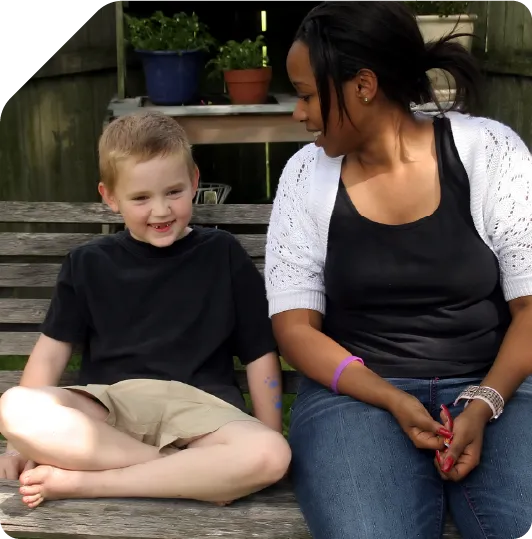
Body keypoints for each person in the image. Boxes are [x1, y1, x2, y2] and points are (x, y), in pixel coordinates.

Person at [265, 0, 532, 538]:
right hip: (356, 399)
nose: (299, 113)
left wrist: (484, 402)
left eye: (309, 95)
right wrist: (389, 396)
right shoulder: (304, 176)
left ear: (362, 86)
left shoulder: (489, 152)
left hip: (498, 388)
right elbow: (294, 328)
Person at [0, 111, 291, 509]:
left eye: (173, 192)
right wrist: (18, 443)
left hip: (202, 413)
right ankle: (187, 472)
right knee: (16, 408)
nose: (161, 211)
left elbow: (260, 356)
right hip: (110, 410)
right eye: (140, 198)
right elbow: (51, 353)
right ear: (109, 197)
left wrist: (269, 430)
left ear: (193, 182)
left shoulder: (223, 255)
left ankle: (85, 483)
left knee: (270, 454)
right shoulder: (87, 263)